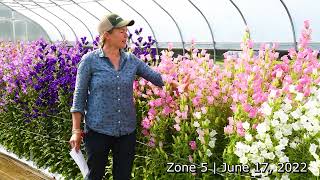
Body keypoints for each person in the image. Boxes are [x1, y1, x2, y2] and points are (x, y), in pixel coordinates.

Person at [69, 13, 172, 180]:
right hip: (98, 131)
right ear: (106, 35)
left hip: (126, 132)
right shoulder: (89, 61)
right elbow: (79, 97)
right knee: (94, 176)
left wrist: (180, 82)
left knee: (123, 177)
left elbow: (157, 78)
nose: (126, 34)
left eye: (126, 31)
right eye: (121, 31)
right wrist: (76, 130)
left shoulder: (131, 60)